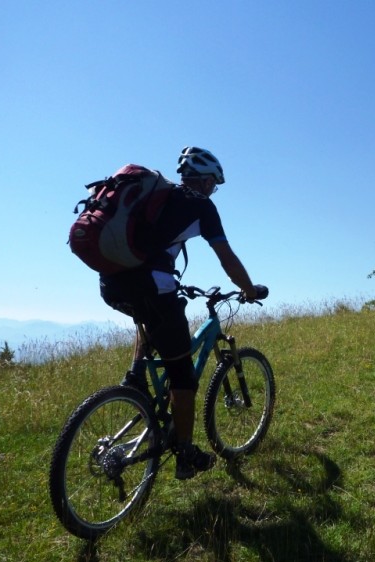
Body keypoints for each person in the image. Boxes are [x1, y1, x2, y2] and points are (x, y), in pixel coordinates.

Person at [99, 146, 263, 480]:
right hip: (151, 283)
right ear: (204, 181)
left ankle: (135, 376)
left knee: (150, 314)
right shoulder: (201, 205)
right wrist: (249, 288)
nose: (212, 190)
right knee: (182, 375)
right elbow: (227, 258)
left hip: (111, 281)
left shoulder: (157, 198)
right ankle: (185, 453)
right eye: (213, 184)